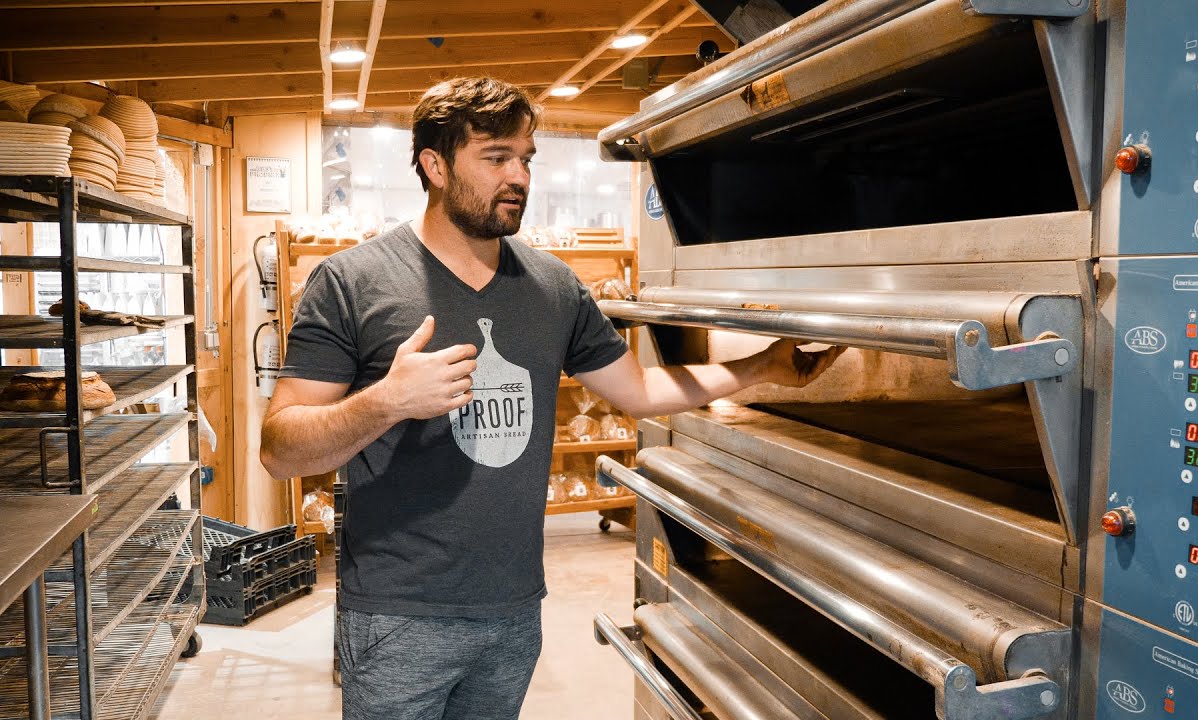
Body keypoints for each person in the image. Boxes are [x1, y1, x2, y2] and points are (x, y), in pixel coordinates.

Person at [259, 76, 844, 720]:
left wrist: (765, 367)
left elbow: (640, 390)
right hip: (399, 613)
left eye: (527, 159)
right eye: (495, 157)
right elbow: (280, 450)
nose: (519, 177)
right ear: (433, 166)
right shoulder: (352, 280)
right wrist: (386, 402)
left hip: (513, 609)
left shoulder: (553, 287)